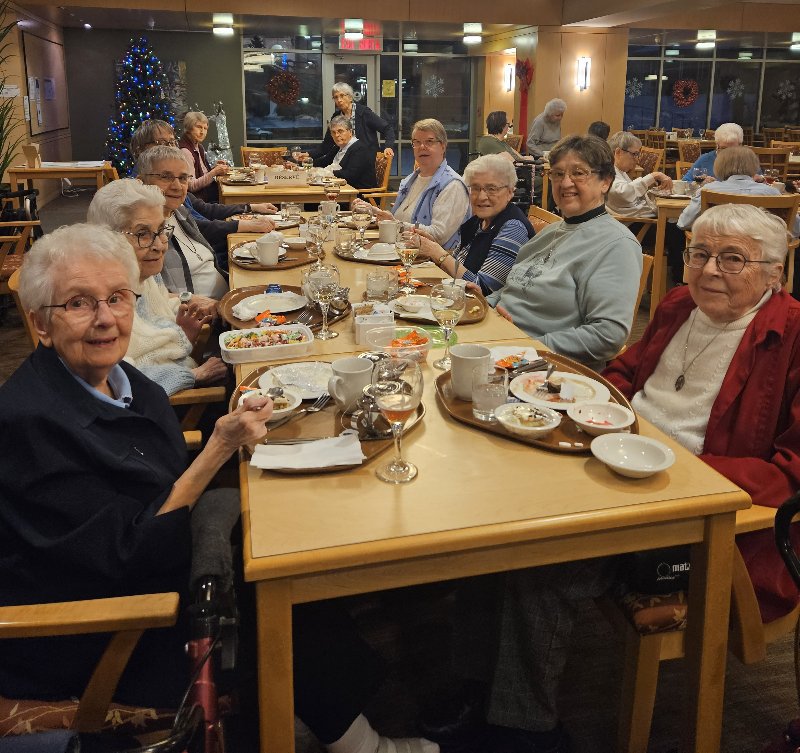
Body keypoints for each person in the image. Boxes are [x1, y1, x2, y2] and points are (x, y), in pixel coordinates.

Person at [0, 224, 439, 753]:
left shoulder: (117, 378)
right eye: (78, 303)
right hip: (104, 630)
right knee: (273, 594)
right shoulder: (29, 424)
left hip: (162, 562)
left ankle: (322, 710)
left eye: (117, 298)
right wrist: (218, 448)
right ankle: (361, 742)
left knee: (285, 554)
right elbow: (127, 555)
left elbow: (151, 469)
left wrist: (230, 434)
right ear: (42, 324)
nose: (105, 318)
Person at [426, 204, 800, 753]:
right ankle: (477, 688)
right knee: (490, 519)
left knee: (540, 562)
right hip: (613, 457)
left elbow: (788, 474)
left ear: (775, 273)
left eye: (733, 259)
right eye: (698, 253)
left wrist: (674, 462)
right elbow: (627, 372)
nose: (709, 270)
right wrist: (575, 393)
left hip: (705, 516)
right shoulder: (679, 304)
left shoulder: (791, 338)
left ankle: (525, 731)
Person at [486, 135, 643, 371]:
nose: (565, 182)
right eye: (558, 174)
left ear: (605, 182)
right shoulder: (551, 232)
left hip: (547, 370)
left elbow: (608, 335)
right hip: (499, 343)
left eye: (578, 173)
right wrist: (477, 307)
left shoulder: (617, 244)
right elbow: (511, 289)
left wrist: (528, 347)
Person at [87, 178, 228, 395]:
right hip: (162, 404)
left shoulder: (142, 272)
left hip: (180, 366)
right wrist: (194, 376)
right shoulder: (101, 303)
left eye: (161, 230)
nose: (160, 245)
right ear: (106, 238)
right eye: (142, 234)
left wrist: (185, 323)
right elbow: (116, 381)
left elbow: (155, 312)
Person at [131, 119, 278, 268]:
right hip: (214, 248)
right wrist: (245, 224)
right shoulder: (149, 199)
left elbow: (203, 209)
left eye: (171, 142)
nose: (169, 149)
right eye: (161, 143)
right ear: (140, 149)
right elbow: (199, 227)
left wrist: (249, 207)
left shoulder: (174, 194)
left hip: (213, 249)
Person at [416, 154, 534, 294]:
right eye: (476, 188)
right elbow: (457, 263)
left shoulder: (513, 228)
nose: (481, 197)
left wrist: (437, 253)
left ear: (510, 192)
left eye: (491, 189)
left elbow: (482, 289)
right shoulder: (479, 221)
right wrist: (431, 246)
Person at [353, 118, 470, 248]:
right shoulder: (411, 179)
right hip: (401, 250)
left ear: (443, 146)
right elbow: (401, 220)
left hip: (431, 262)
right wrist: (375, 212)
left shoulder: (452, 186)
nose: (422, 147)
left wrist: (396, 224)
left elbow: (438, 236)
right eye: (417, 142)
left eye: (429, 142)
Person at [138, 145, 228, 300]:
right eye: (165, 177)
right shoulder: (141, 233)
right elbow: (142, 296)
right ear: (141, 182)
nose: (177, 186)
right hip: (196, 317)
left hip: (225, 300)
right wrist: (192, 300)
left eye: (183, 178)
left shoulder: (180, 212)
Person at [678, 145, 800, 237]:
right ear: (754, 166)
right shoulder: (772, 193)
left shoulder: (708, 190)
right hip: (760, 254)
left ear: (719, 166)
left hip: (717, 249)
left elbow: (683, 223)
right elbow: (796, 229)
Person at [304, 82, 395, 160]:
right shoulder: (336, 117)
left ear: (350, 97)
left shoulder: (364, 113)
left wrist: (388, 147)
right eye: (335, 97)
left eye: (342, 96)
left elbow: (387, 128)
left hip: (366, 161)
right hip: (345, 161)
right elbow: (327, 145)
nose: (339, 100)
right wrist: (308, 154)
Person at [606, 130, 673, 216]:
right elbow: (623, 193)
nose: (637, 159)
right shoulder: (608, 172)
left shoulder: (619, 170)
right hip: (641, 224)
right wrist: (654, 175)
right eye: (634, 154)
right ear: (618, 152)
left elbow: (632, 194)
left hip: (647, 217)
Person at [311, 115, 378, 189]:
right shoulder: (338, 147)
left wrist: (328, 172)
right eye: (333, 132)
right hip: (338, 188)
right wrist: (304, 164)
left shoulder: (360, 149)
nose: (337, 135)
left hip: (360, 195)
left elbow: (350, 175)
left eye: (340, 131)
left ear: (350, 132)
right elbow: (324, 161)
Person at [178, 110, 229, 203]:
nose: (202, 132)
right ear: (188, 128)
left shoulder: (199, 147)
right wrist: (214, 172)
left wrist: (214, 168)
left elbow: (201, 173)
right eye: (198, 127)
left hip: (208, 193)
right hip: (201, 200)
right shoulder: (185, 151)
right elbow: (191, 186)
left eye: (205, 128)